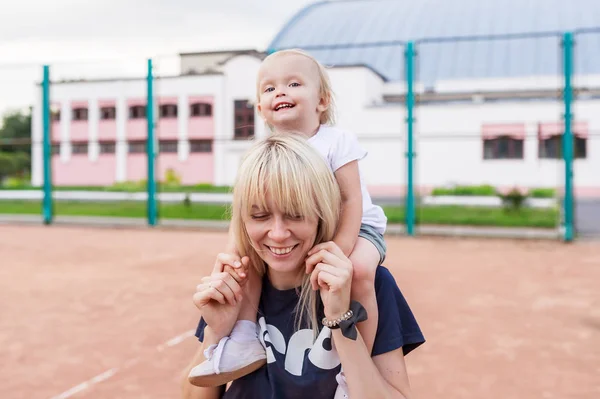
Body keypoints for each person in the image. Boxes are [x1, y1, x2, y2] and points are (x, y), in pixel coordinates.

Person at [188, 48, 390, 388]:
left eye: (293, 83)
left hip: (358, 227)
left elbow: (351, 201)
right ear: (260, 109)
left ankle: (353, 370)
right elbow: (244, 221)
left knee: (361, 273)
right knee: (246, 262)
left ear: (322, 101)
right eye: (269, 89)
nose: (280, 92)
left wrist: (337, 251)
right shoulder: (265, 154)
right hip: (315, 233)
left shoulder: (336, 141)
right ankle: (241, 336)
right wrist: (231, 266)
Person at [181, 134, 425, 398]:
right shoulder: (239, 282)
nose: (277, 233)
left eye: (295, 214)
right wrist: (216, 332)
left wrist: (339, 319)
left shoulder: (368, 283)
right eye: (259, 215)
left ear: (322, 213)